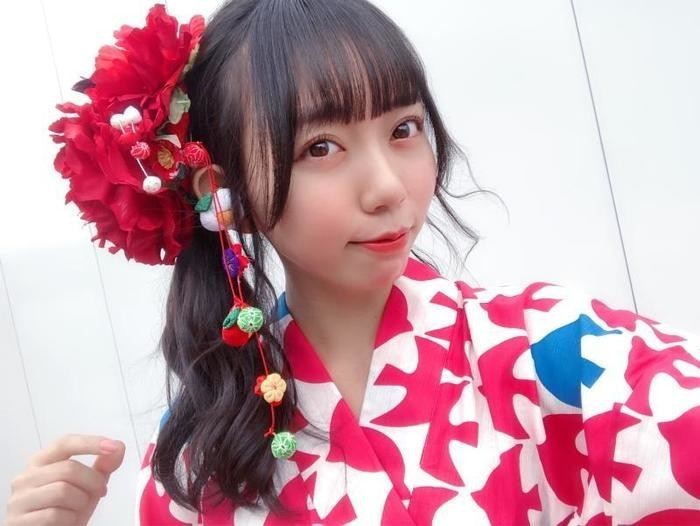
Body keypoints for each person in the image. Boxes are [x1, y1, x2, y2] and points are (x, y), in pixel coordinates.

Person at [5, 0, 700, 524]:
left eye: (404, 129)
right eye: (321, 148)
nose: (389, 187)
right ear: (224, 191)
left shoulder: (548, 345)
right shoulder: (196, 455)